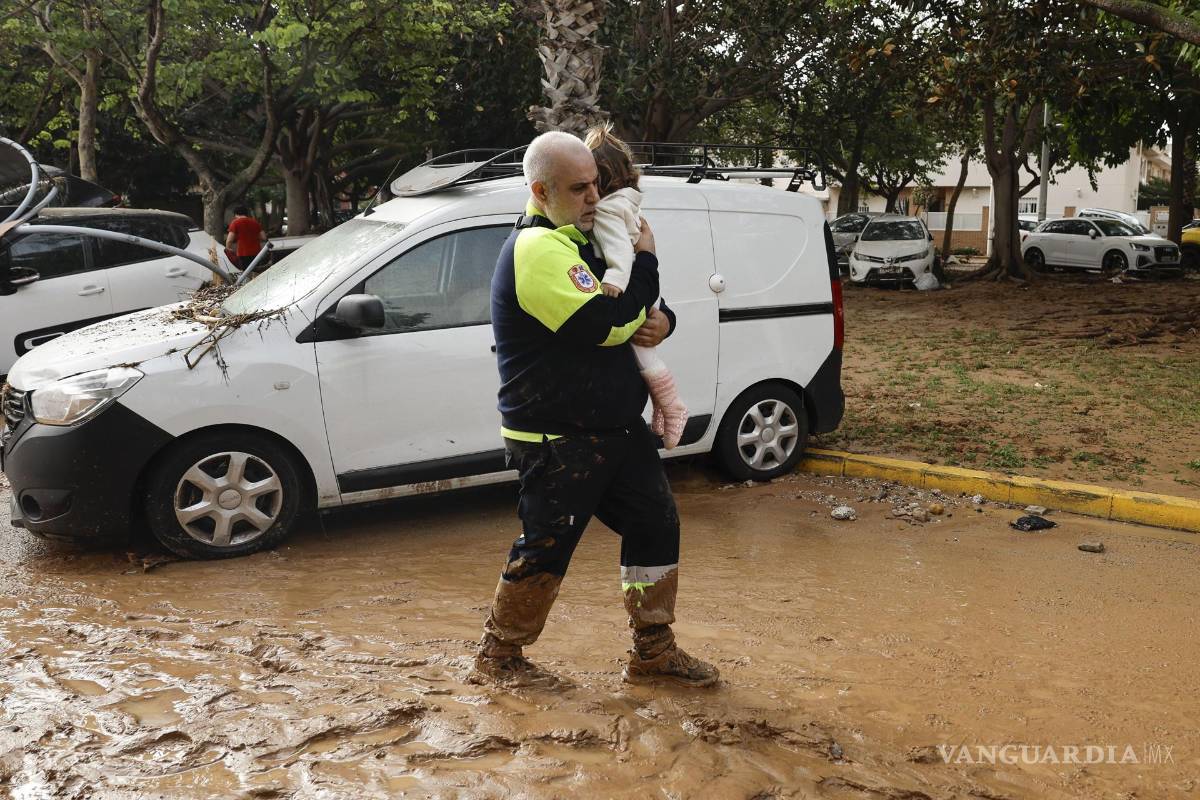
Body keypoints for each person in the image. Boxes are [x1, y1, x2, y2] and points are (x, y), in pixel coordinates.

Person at [474, 131, 719, 689]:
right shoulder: (539, 250)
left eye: (597, 186)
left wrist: (666, 320)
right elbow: (607, 324)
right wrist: (650, 261)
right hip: (555, 437)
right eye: (581, 188)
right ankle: (500, 656)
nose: (594, 198)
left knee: (655, 525)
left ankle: (653, 650)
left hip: (614, 429)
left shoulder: (582, 240)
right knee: (547, 543)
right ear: (541, 190)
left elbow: (635, 304)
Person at [584, 124, 689, 450]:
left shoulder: (604, 212)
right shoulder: (629, 203)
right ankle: (665, 404)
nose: (587, 195)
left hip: (628, 294)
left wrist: (666, 320)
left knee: (646, 358)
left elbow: (622, 254)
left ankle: (670, 404)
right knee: (646, 359)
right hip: (606, 411)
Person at [225, 205, 266, 271]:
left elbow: (229, 240)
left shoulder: (235, 222)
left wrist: (228, 249)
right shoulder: (255, 222)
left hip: (243, 253)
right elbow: (263, 237)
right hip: (257, 252)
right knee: (256, 272)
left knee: (245, 273)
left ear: (236, 214)